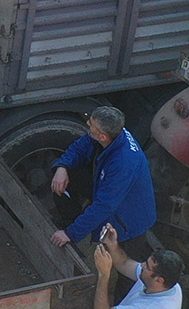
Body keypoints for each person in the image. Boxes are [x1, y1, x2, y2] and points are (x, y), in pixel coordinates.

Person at [47, 105, 158, 261]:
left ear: (103, 137)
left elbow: (104, 205)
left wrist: (70, 234)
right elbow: (79, 148)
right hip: (107, 189)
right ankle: (70, 220)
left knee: (126, 266)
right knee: (63, 169)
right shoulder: (108, 135)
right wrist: (62, 167)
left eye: (91, 124)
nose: (87, 123)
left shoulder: (123, 163)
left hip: (129, 220)